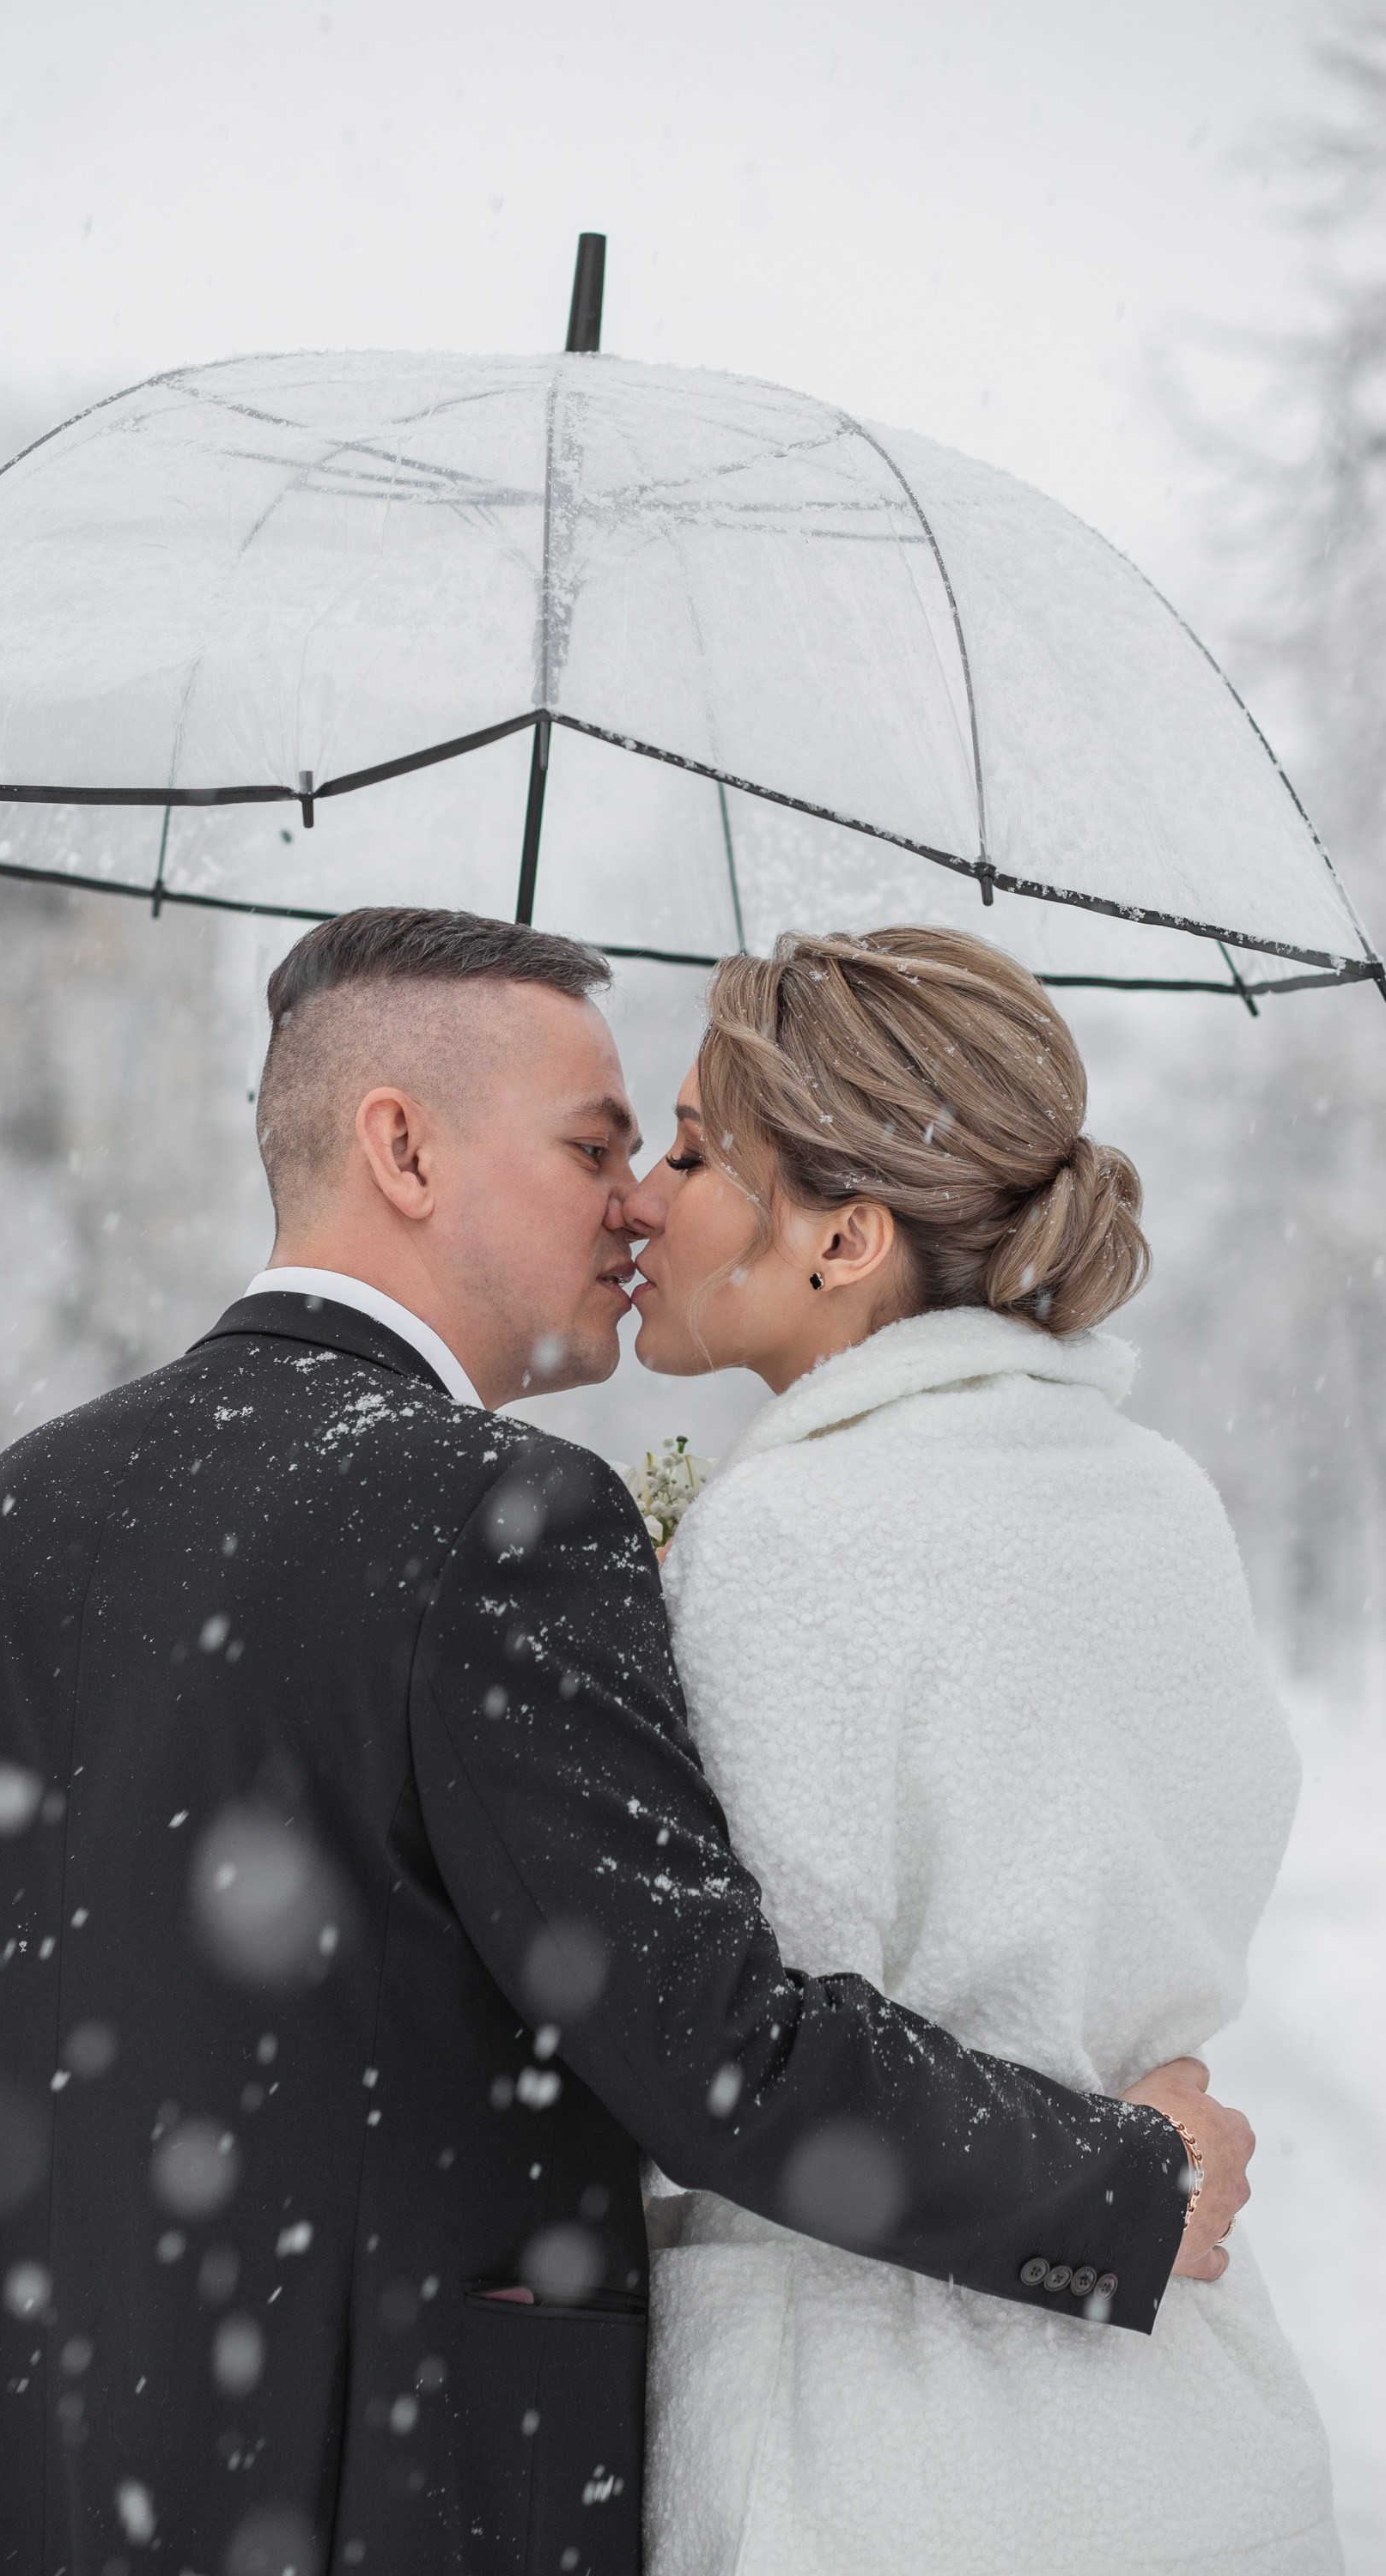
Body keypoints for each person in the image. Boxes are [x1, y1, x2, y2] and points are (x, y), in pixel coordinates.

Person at [0, 908, 1249, 2576]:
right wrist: (1124, 2189)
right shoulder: (490, 1521)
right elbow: (710, 2048)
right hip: (380, 2490)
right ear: (403, 1147)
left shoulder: (9, 1513)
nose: (631, 1202)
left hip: (10, 2479)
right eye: (595, 1142)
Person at [626, 925, 1338, 2576]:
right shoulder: (1160, 1501)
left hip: (872, 2436)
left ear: (845, 1235)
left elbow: (743, 2052)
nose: (647, 1198)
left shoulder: (791, 1538)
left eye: (692, 1149)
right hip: (1183, 2414)